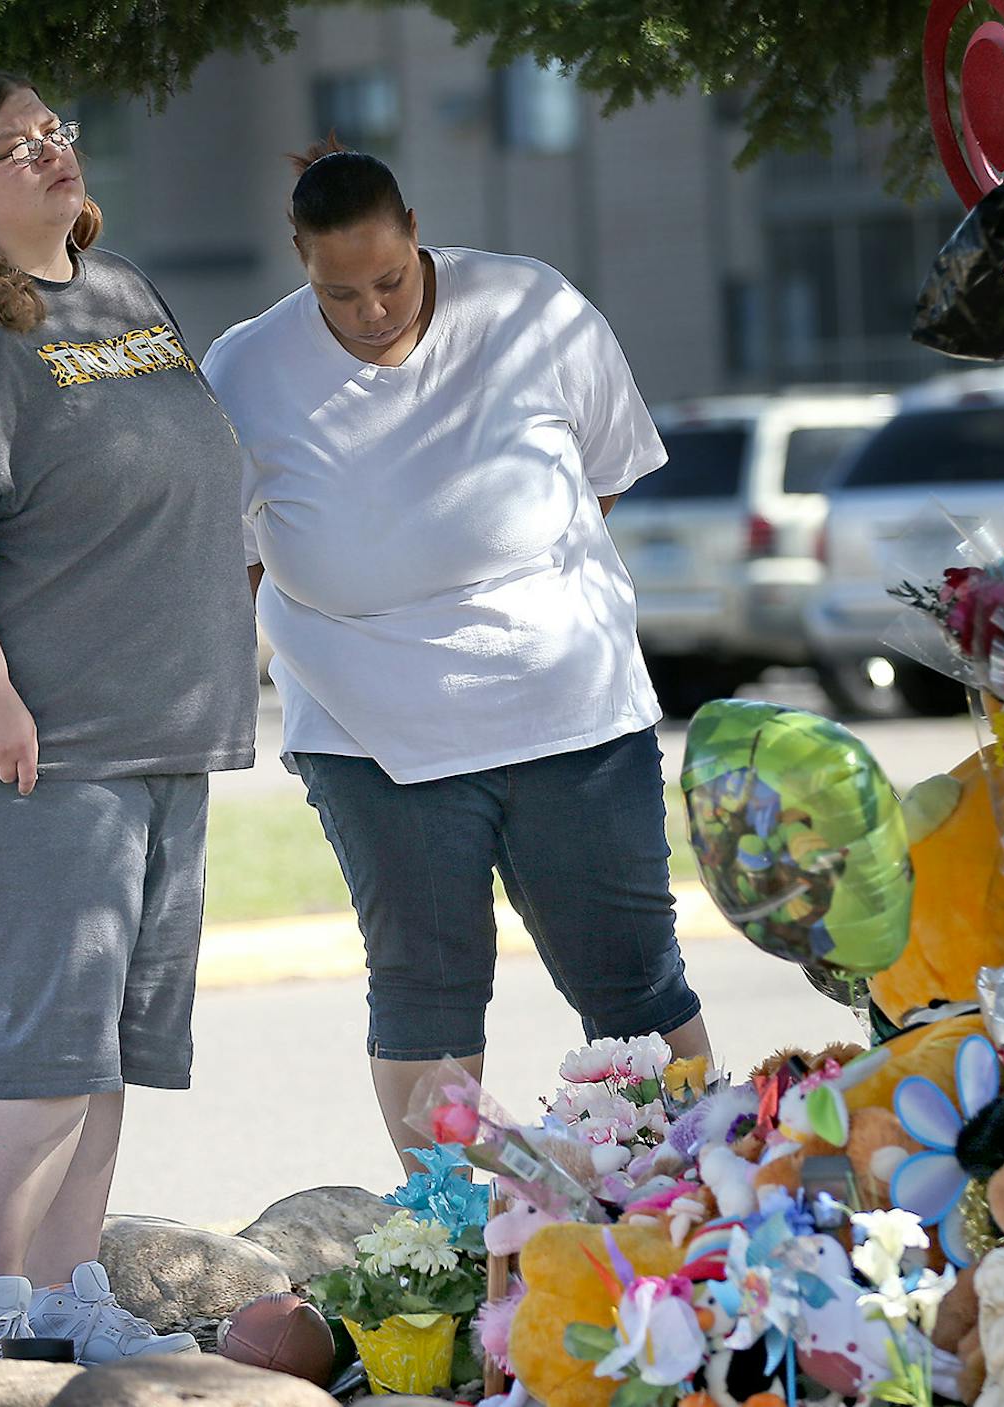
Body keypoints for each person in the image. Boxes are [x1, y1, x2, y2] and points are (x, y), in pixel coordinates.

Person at [0, 71, 257, 1365]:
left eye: (53, 135)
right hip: (33, 745)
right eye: (10, 149)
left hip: (158, 733)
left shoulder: (127, 291)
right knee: (32, 1039)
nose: (48, 156)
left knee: (109, 1042)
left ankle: (72, 1285)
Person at [201, 142, 710, 1164]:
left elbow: (602, 475)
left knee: (630, 980)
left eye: (389, 280)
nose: (373, 310)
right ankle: (450, 1238)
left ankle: (693, 1195)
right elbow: (228, 557)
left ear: (417, 232)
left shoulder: (533, 309)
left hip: (571, 709)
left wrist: (493, 580)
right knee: (426, 989)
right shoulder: (246, 370)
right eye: (339, 293)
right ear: (300, 264)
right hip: (371, 733)